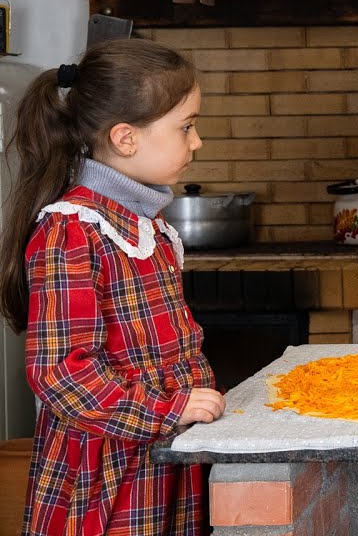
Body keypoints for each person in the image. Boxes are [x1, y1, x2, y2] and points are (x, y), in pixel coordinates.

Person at [0, 40, 224, 536]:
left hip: (160, 452)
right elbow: (62, 374)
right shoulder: (72, 230)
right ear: (125, 138)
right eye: (186, 126)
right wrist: (168, 408)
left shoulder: (148, 226)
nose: (197, 141)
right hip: (106, 470)